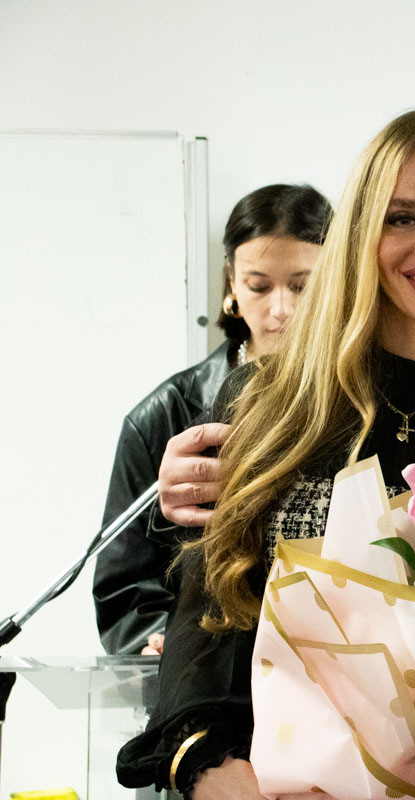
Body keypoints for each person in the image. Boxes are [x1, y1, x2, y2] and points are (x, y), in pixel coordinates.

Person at [117, 107, 415, 799]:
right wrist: (206, 763)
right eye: (402, 218)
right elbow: (208, 616)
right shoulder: (269, 401)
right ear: (359, 235)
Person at [92, 183, 331, 655]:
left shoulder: (365, 400)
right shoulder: (164, 415)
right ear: (232, 285)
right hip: (203, 667)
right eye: (258, 286)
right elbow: (123, 588)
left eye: (302, 286)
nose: (281, 309)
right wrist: (157, 643)